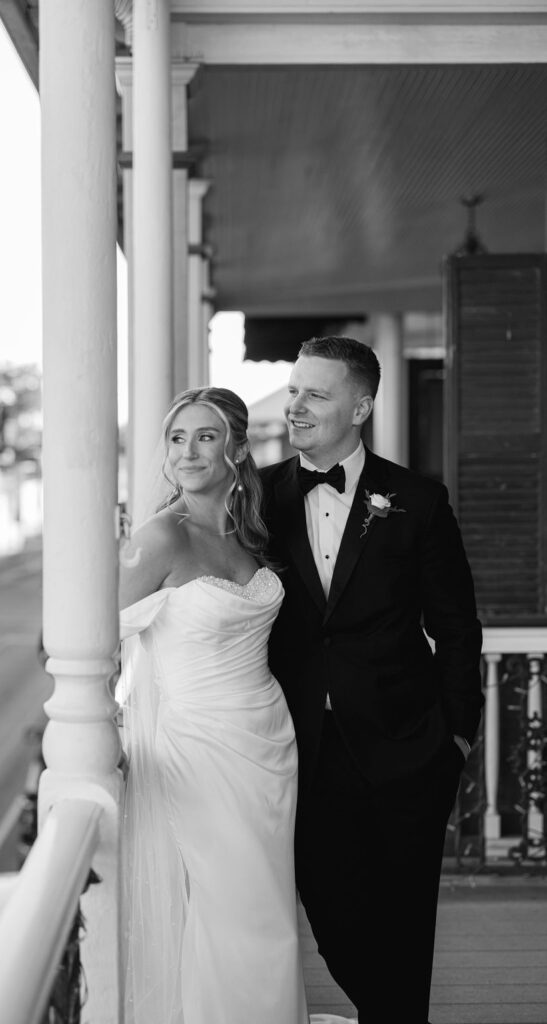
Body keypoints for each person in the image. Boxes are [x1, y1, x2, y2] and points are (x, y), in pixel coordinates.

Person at [260, 336, 484, 1024]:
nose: (294, 406)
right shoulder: (257, 496)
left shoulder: (417, 499)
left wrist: (456, 738)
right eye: (294, 390)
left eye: (315, 394)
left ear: (359, 407)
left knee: (406, 918)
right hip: (300, 746)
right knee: (331, 911)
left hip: (407, 744)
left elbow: (456, 626)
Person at [117, 387, 344, 1024]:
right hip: (198, 746)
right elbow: (79, 638)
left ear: (238, 447)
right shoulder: (160, 539)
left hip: (269, 739)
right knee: (233, 904)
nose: (188, 451)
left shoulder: (253, 534)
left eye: (206, 436)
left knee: (270, 904)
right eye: (177, 438)